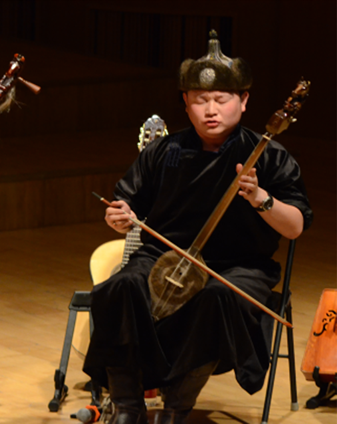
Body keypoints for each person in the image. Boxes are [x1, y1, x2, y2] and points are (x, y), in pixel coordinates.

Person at [83, 31, 312, 424]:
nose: (211, 110)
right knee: (120, 287)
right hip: (164, 258)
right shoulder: (163, 151)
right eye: (200, 100)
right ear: (185, 103)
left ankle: (176, 407)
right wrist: (119, 217)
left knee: (215, 298)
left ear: (244, 101)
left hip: (238, 267)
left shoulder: (269, 155)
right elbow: (126, 205)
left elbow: (295, 227)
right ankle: (127, 407)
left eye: (221, 99)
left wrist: (260, 198)